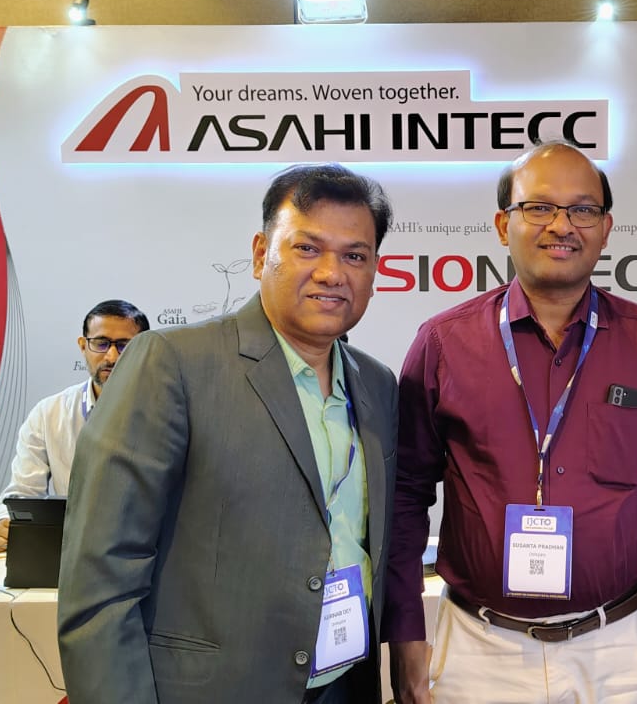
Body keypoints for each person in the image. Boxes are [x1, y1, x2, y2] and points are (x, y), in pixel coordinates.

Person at [383, 141, 637, 704]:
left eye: (582, 210)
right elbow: (405, 497)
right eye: (538, 207)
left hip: (620, 646)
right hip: (480, 648)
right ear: (503, 225)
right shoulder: (443, 343)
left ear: (605, 229)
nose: (561, 225)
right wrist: (405, 632)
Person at [57, 164, 399, 704]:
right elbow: (101, 577)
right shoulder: (171, 363)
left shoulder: (377, 385)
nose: (332, 273)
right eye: (307, 248)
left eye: (355, 256)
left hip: (344, 684)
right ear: (262, 254)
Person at [0, 299, 148, 553]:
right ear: (83, 346)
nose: (112, 356)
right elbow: (23, 493)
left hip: (153, 550)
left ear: (146, 349)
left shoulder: (173, 410)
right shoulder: (49, 414)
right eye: (101, 343)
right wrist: (5, 524)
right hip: (73, 551)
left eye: (124, 345)